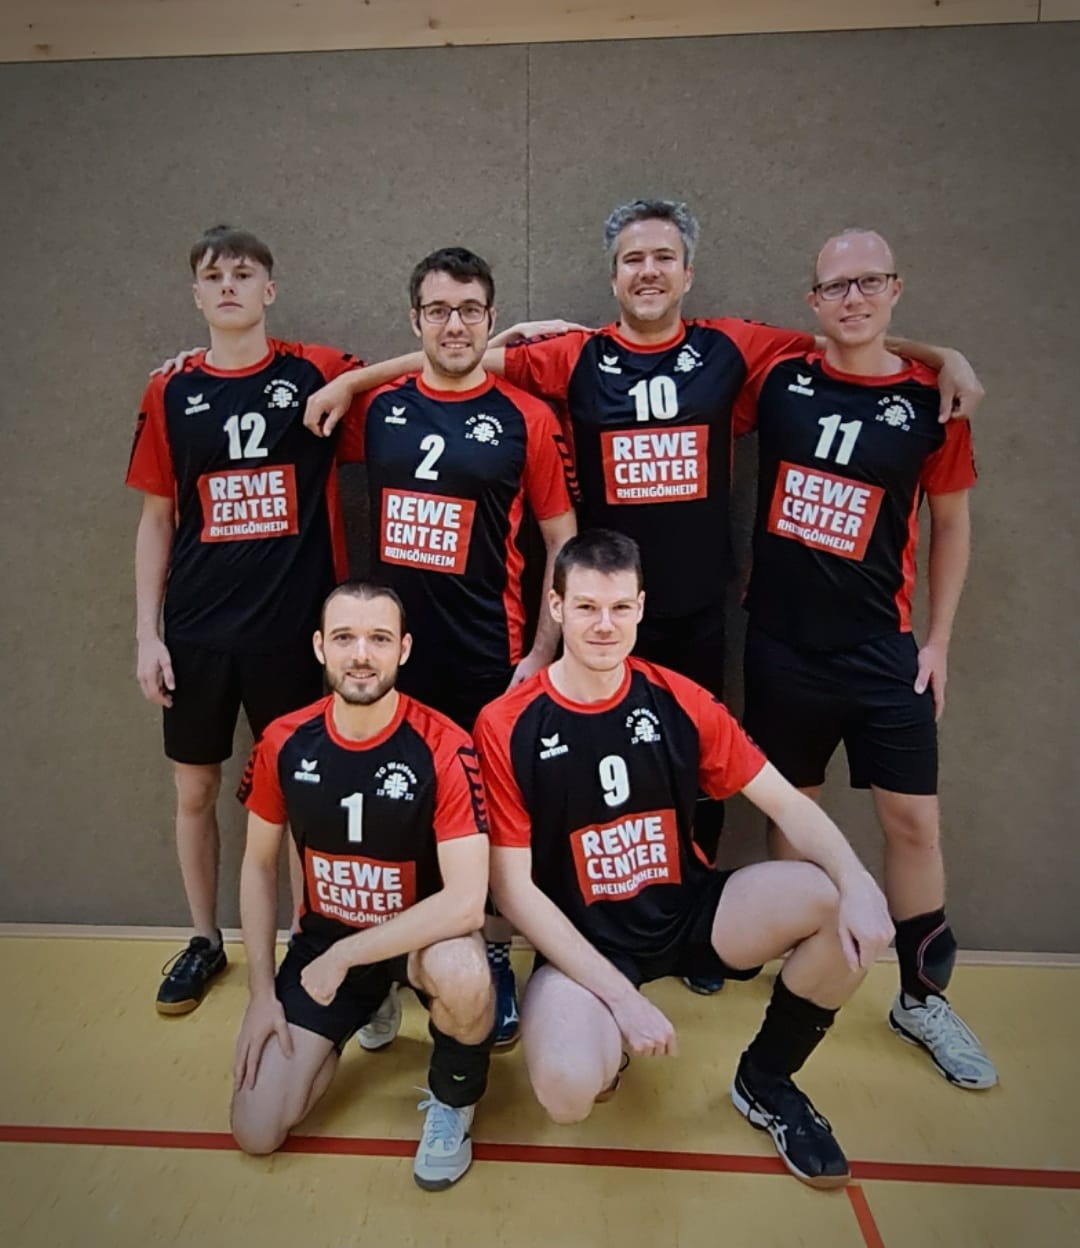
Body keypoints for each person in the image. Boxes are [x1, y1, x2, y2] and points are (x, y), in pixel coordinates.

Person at [301, 202, 982, 997]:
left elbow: (853, 336)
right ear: (613, 275)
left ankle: (702, 934)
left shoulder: (736, 349)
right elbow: (454, 358)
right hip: (597, 616)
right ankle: (564, 938)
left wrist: (945, 355)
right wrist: (355, 377)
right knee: (567, 783)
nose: (649, 271)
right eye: (633, 259)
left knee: (693, 773)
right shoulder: (574, 355)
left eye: (664, 257)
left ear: (688, 272)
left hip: (695, 612)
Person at [472, 530, 894, 1189]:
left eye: (618, 608)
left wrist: (859, 879)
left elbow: (786, 804)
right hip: (589, 943)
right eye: (585, 607)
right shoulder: (506, 724)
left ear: (641, 607)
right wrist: (620, 999)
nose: (603, 625)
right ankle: (607, 1045)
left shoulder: (680, 700)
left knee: (835, 903)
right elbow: (516, 892)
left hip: (690, 909)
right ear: (554, 608)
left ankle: (766, 1081)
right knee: (567, 1090)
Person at [733, 228, 996, 1089]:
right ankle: (803, 965)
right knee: (793, 815)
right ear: (812, 301)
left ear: (895, 287)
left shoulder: (932, 404)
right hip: (779, 648)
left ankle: (921, 998)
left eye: (870, 282)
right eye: (836, 286)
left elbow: (951, 523)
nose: (854, 298)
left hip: (883, 656)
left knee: (912, 823)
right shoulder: (780, 372)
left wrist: (940, 641)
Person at [125, 225, 366, 1014]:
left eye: (244, 273)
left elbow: (429, 368)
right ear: (196, 295)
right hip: (196, 630)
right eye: (212, 275)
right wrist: (147, 634)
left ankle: (311, 938)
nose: (228, 285)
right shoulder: (168, 391)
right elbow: (158, 518)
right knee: (195, 790)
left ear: (270, 289)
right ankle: (203, 940)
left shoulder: (316, 371)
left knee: (299, 794)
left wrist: (519, 337)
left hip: (290, 630)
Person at [341, 246, 577, 1046]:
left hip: (488, 658)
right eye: (437, 310)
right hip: (388, 661)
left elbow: (562, 542)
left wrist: (541, 653)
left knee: (493, 825)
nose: (454, 324)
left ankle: (494, 962)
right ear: (414, 321)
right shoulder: (376, 409)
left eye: (470, 309)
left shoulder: (526, 418)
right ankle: (379, 974)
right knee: (391, 823)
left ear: (490, 317)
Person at [232, 581, 494, 1190]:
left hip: (417, 943)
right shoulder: (283, 741)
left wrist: (348, 955)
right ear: (320, 647)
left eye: (378, 638)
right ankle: (360, 1010)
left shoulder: (444, 745)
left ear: (403, 650)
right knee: (257, 1129)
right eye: (345, 637)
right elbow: (256, 866)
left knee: (464, 972)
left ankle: (453, 1101)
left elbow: (464, 902)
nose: (360, 655)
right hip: (323, 942)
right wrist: (261, 997)